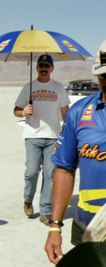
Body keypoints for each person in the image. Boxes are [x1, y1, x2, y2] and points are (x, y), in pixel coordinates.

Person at [44, 40, 106, 264]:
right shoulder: (79, 112)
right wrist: (55, 226)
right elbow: (65, 170)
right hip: (87, 228)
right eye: (105, 76)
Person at [13, 55, 70, 225]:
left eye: (47, 65)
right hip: (32, 136)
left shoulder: (58, 88)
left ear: (52, 68)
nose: (44, 67)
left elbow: (66, 113)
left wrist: (69, 131)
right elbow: (16, 110)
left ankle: (45, 211)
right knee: (31, 172)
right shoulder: (28, 87)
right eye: (41, 65)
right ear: (36, 68)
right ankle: (28, 199)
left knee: (50, 174)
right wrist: (24, 112)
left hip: (53, 137)